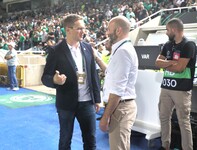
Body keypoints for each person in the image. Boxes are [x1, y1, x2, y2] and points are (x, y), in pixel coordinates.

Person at [41, 14, 101, 150]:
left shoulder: (88, 48)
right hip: (66, 105)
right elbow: (45, 77)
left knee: (90, 141)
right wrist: (54, 80)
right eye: (79, 28)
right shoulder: (56, 51)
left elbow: (93, 75)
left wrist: (97, 98)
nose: (83, 31)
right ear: (68, 29)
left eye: (84, 28)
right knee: (65, 140)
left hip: (87, 103)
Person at [155, 18, 197, 150]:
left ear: (174, 29)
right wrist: (171, 63)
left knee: (183, 121)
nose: (166, 33)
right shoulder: (167, 44)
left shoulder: (189, 44)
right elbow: (157, 62)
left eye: (167, 30)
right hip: (166, 87)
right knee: (163, 117)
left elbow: (180, 68)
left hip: (181, 89)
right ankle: (164, 146)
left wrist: (166, 64)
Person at [99, 16, 138, 150]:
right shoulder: (122, 49)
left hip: (119, 108)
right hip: (121, 107)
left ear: (118, 31)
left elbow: (117, 91)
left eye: (109, 30)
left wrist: (105, 116)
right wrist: (98, 60)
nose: (106, 33)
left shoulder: (122, 51)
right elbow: (112, 74)